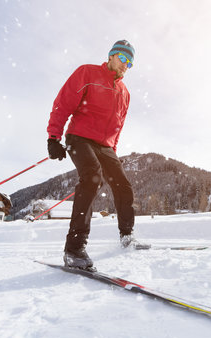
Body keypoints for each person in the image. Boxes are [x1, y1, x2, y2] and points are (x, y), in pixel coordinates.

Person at [46, 40, 147, 270]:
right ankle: (74, 249)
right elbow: (63, 103)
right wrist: (54, 137)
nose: (125, 65)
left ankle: (127, 236)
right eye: (123, 58)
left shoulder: (125, 93)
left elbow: (118, 127)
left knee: (122, 185)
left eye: (130, 63)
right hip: (79, 137)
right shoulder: (88, 73)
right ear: (111, 55)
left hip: (106, 146)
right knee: (92, 176)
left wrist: (112, 151)